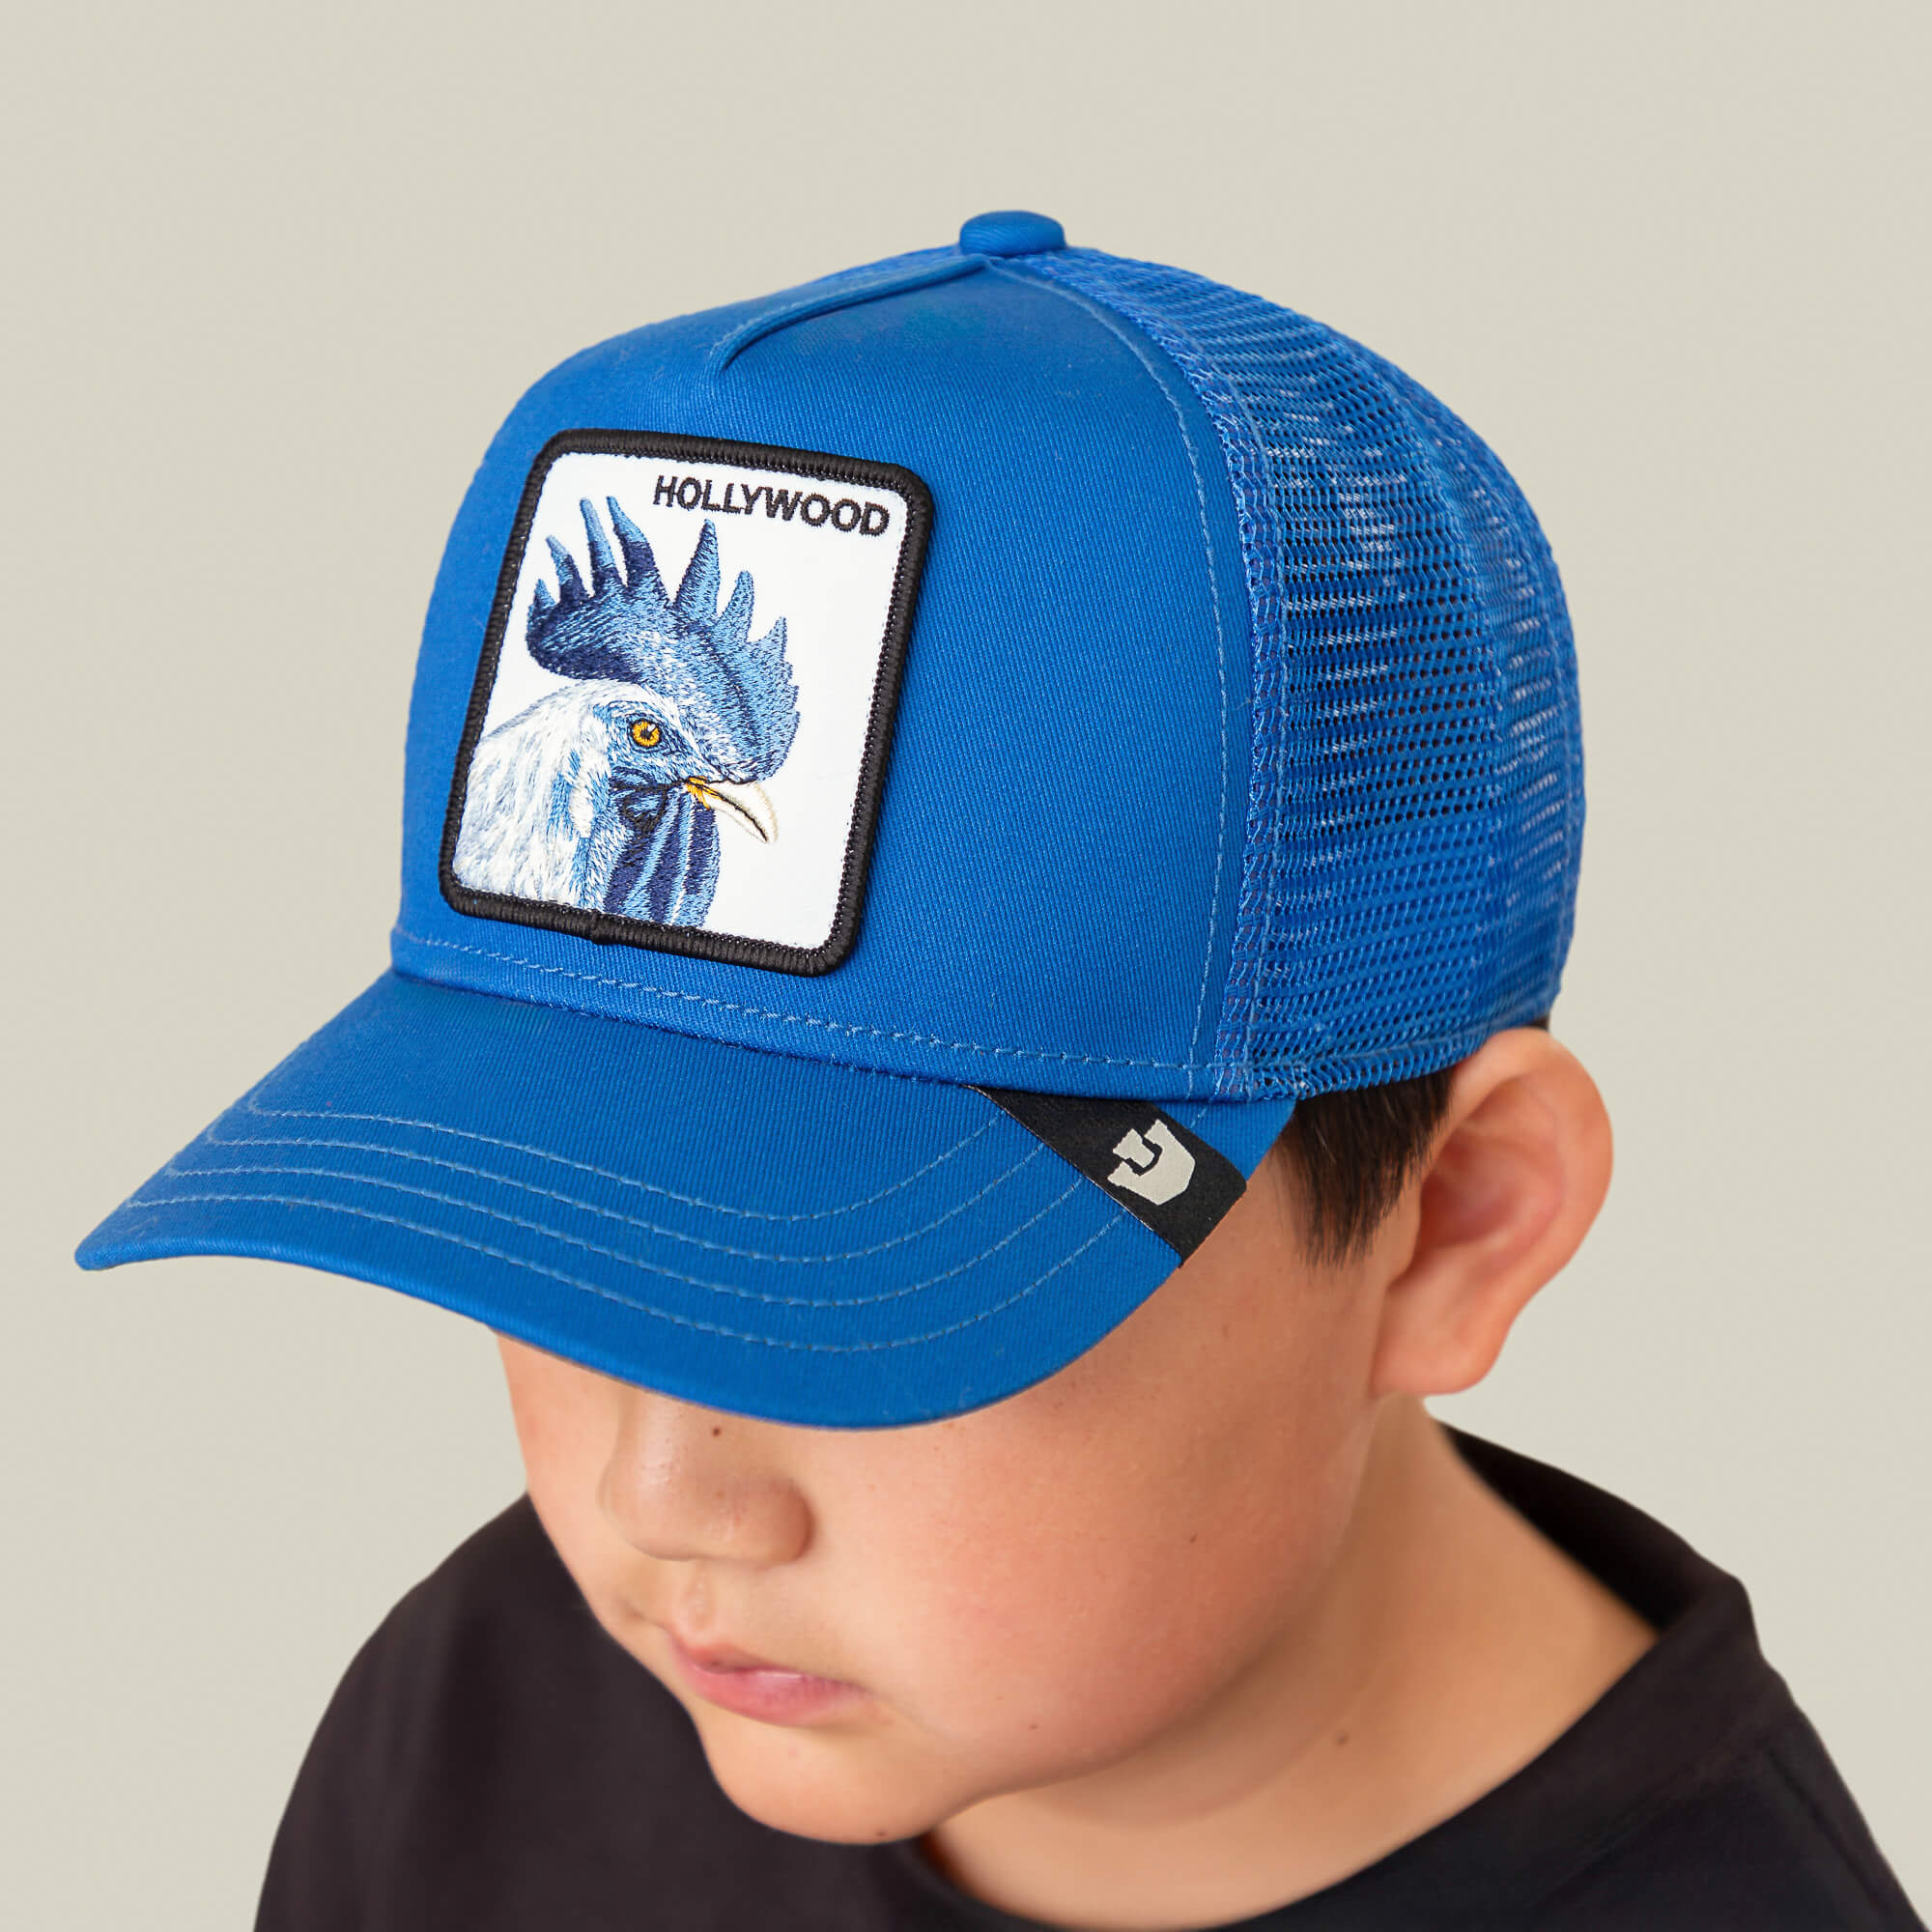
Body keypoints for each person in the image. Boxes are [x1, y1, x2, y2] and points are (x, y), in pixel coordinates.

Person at [77, 210, 1922, 1928]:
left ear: (1454, 1225)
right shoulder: (493, 1710)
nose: (666, 1500)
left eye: (862, 1311)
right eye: (581, 1251)